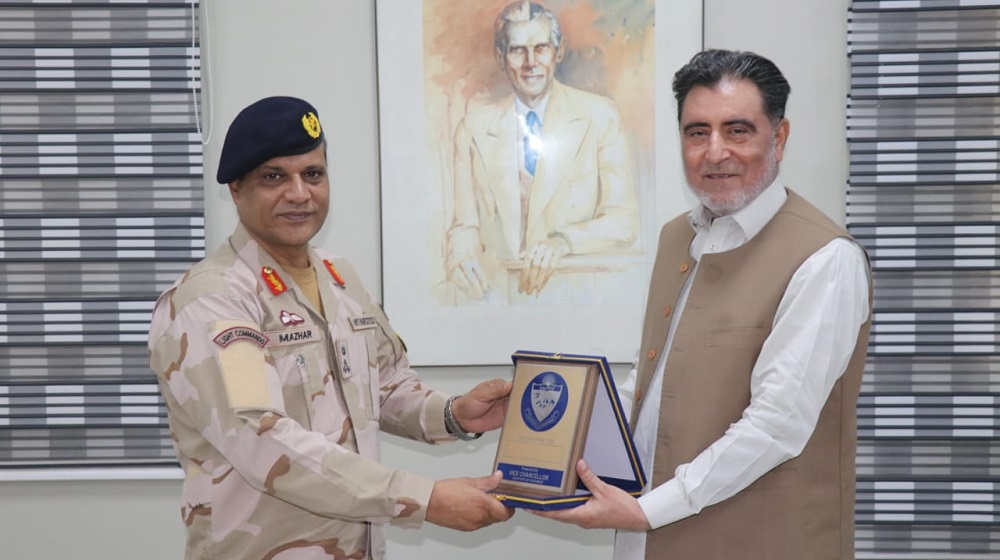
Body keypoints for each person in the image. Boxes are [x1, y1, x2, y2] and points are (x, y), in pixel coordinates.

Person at [533, 49, 873, 560]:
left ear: (778, 137)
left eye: (737, 130)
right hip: (646, 534)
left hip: (762, 542)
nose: (715, 152)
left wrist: (649, 509)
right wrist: (552, 446)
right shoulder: (679, 238)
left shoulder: (825, 258)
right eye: (697, 132)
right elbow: (649, 384)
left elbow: (777, 424)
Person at [148, 96, 514, 560]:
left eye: (313, 174)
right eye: (274, 177)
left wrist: (454, 414)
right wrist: (424, 498)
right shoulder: (214, 298)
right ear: (237, 188)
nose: (299, 193)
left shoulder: (339, 277)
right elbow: (261, 437)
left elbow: (382, 387)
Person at [447, 0, 639, 301]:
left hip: (579, 296)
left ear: (558, 52)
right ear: (500, 57)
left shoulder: (601, 116)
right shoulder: (472, 128)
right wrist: (460, 256)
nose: (530, 63)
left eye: (541, 48)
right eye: (517, 50)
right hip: (500, 301)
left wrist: (563, 242)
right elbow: (464, 226)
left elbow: (624, 222)